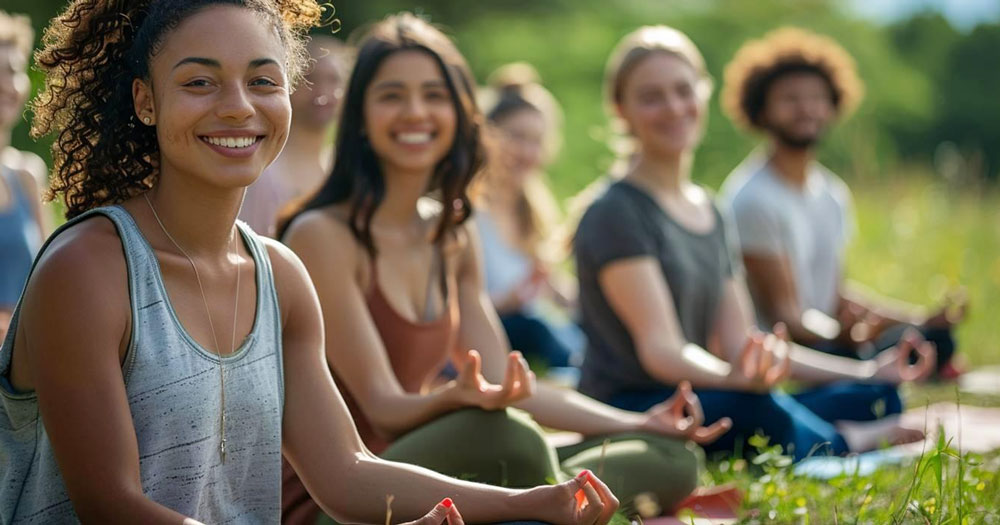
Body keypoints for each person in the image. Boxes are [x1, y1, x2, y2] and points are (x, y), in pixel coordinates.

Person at [0, 2, 619, 523]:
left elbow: (346, 472)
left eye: (263, 81)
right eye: (199, 82)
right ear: (145, 102)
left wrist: (529, 501)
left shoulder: (279, 275)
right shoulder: (88, 268)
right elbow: (113, 507)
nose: (239, 106)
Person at [280, 13, 730, 521]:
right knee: (509, 438)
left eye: (433, 95)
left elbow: (509, 381)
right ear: (359, 113)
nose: (415, 112)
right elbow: (383, 406)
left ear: (460, 111)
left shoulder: (452, 233)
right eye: (391, 95)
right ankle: (539, 506)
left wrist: (635, 421)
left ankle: (533, 508)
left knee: (671, 460)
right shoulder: (322, 235)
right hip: (349, 494)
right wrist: (456, 397)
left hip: (445, 460)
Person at [573, 25, 935, 463]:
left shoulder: (711, 207)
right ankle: (846, 442)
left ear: (703, 93)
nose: (673, 108)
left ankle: (839, 426)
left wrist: (865, 370)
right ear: (621, 110)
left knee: (875, 396)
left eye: (683, 91)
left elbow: (743, 342)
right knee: (758, 410)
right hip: (640, 408)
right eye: (651, 97)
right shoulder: (615, 210)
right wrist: (738, 379)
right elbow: (662, 352)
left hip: (706, 391)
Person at [718, 27, 966, 378]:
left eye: (817, 98)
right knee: (870, 376)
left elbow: (835, 296)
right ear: (762, 110)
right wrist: (846, 335)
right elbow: (786, 317)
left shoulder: (832, 192)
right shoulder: (754, 198)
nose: (806, 108)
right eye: (790, 99)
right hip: (789, 351)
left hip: (831, 336)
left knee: (936, 338)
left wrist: (920, 317)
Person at [472, 62, 583, 372]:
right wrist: (504, 302)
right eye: (516, 137)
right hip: (489, 334)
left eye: (536, 141)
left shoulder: (532, 209)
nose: (527, 153)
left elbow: (553, 286)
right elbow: (448, 311)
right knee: (536, 325)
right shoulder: (467, 213)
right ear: (488, 136)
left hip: (529, 329)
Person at [239, 34, 351, 237]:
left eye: (334, 80)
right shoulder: (261, 172)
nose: (323, 92)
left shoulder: (346, 168)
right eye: (310, 79)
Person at [0, 11, 47, 341]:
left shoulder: (28, 173)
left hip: (23, 364)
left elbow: (48, 276)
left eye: (13, 71)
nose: (5, 83)